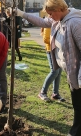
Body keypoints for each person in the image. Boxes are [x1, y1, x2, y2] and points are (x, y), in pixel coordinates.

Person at [13, 0, 81, 135]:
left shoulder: (75, 23)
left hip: (78, 75)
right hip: (71, 73)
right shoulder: (58, 20)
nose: (49, 17)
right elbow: (42, 22)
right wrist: (21, 14)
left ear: (59, 9)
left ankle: (75, 132)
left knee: (79, 106)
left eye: (50, 13)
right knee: (77, 105)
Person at [38, 27, 65, 102]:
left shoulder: (58, 22)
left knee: (59, 72)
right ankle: (42, 92)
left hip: (58, 50)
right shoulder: (49, 23)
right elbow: (46, 39)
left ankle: (55, 94)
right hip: (51, 50)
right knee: (54, 71)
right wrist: (59, 42)